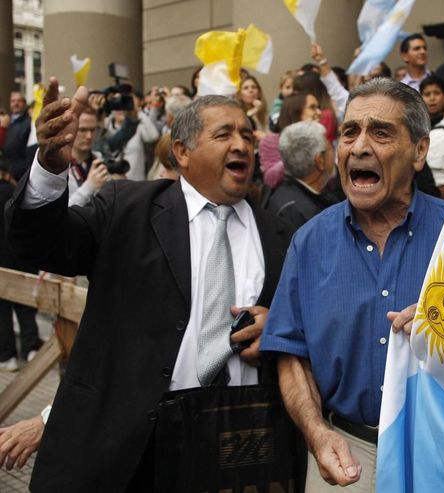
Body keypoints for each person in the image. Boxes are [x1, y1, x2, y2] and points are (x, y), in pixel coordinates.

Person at [5, 78, 293, 491]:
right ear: (182, 152)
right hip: (123, 447)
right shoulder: (127, 207)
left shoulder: (279, 234)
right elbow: (41, 247)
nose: (242, 145)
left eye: (248, 135)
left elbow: (302, 326)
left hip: (229, 443)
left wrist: (277, 329)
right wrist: (50, 167)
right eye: (224, 134)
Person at [260, 78, 444, 491]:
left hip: (442, 453)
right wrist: (316, 432)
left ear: (420, 151)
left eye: (381, 132)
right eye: (350, 132)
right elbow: (291, 355)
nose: (359, 147)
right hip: (344, 454)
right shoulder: (309, 242)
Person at [0, 155, 43, 372]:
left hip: (2, 264)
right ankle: (31, 348)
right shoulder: (15, 194)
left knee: (2, 310)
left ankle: (7, 355)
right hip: (22, 259)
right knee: (26, 307)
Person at [267, 121, 338, 230]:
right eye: (330, 147)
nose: (334, 153)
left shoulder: (295, 197)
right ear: (320, 161)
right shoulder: (295, 213)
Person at [259, 93, 322, 189]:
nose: (319, 112)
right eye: (312, 107)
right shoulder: (271, 141)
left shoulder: (320, 140)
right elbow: (270, 179)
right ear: (295, 112)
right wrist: (299, 146)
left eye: (318, 107)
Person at [2, 92, 32, 180]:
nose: (15, 103)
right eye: (13, 101)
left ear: (24, 103)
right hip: (6, 171)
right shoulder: (6, 121)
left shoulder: (28, 123)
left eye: (19, 101)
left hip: (20, 172)